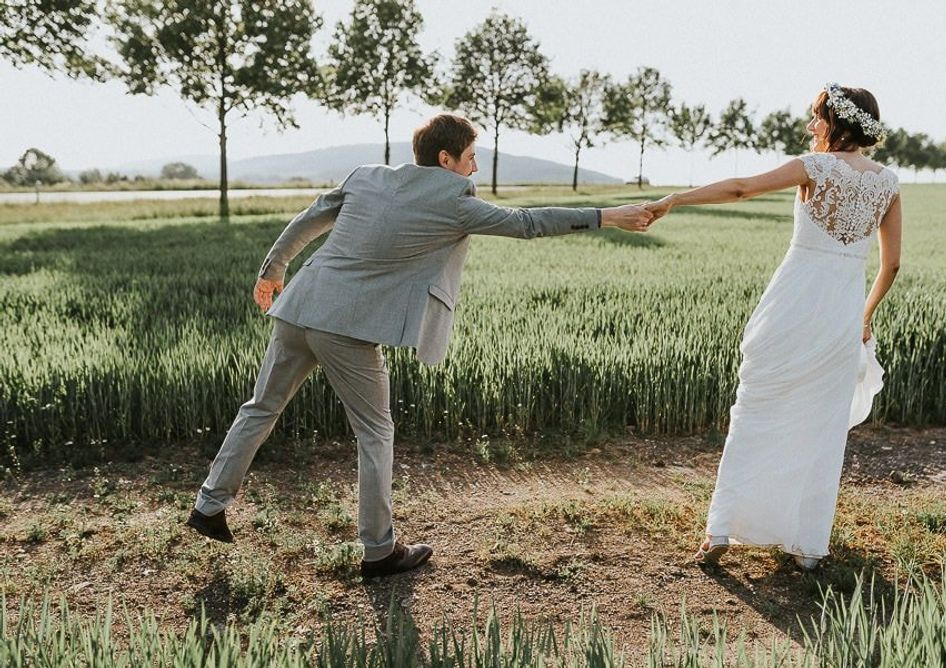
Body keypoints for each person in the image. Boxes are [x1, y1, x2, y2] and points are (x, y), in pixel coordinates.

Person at [186, 113, 654, 578]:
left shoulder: (366, 176)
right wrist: (608, 216)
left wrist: (273, 268)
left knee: (260, 408)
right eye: (470, 159)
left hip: (298, 308)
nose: (474, 170)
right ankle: (379, 551)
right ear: (446, 158)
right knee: (375, 432)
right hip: (344, 329)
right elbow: (527, 222)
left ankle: (209, 505)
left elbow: (308, 220)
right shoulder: (455, 202)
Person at [647, 83, 901, 570]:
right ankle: (806, 546)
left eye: (816, 118)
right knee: (821, 423)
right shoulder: (888, 183)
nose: (811, 126)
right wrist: (863, 318)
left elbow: (741, 188)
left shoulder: (814, 167)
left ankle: (721, 529)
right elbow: (891, 266)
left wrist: (676, 199)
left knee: (757, 408)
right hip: (840, 311)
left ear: (837, 123)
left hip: (792, 302)